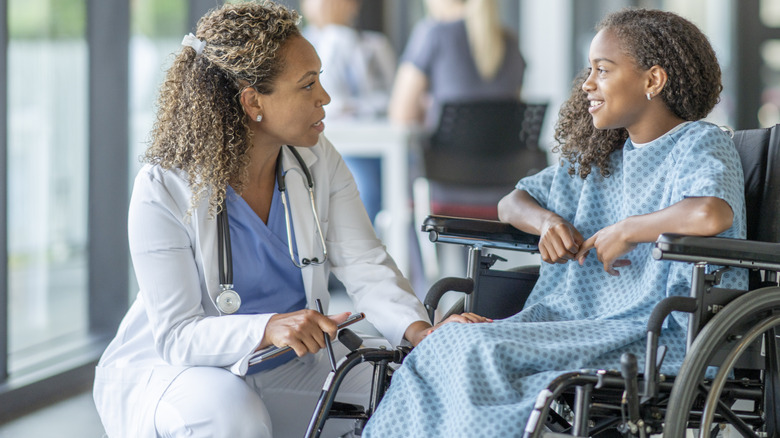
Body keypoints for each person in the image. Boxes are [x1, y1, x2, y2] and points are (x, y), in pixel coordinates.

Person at [92, 3, 489, 438]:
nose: (326, 97)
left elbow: (365, 264)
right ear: (252, 101)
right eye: (308, 84)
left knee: (410, 394)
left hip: (288, 361)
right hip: (179, 369)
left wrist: (421, 333)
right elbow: (178, 335)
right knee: (233, 417)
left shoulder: (317, 159)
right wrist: (267, 326)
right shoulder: (164, 187)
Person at [362, 8, 747, 436]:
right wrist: (546, 222)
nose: (587, 84)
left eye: (603, 70)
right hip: (568, 320)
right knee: (443, 342)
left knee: (477, 349)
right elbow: (512, 203)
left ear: (653, 80)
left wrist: (626, 229)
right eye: (590, 70)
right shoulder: (599, 159)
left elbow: (710, 211)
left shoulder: (698, 141)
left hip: (646, 332)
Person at [300, 0, 397, 224]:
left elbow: (393, 98)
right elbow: (328, 98)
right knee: (361, 185)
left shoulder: (375, 45)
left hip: (377, 144)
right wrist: (335, 34)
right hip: (326, 145)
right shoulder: (298, 48)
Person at [388, 0, 526, 127]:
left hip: (445, 153)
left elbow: (400, 116)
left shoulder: (432, 34)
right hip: (506, 153)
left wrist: (427, 110)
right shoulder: (512, 42)